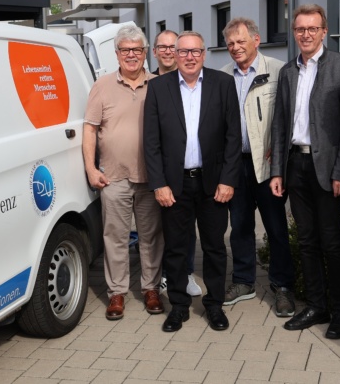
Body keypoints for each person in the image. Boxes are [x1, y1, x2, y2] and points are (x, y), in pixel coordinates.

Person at [269, 4, 340, 339]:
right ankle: (316, 305)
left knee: (332, 243)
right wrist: (278, 170)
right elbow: (280, 124)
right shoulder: (288, 72)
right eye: (300, 29)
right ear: (293, 32)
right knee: (306, 241)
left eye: (312, 28)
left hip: (328, 170)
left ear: (324, 31)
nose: (306, 35)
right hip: (296, 165)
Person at [144, 31, 241, 332]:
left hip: (213, 184)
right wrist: (158, 183)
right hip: (175, 185)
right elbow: (151, 142)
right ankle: (178, 307)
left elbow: (232, 137)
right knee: (175, 247)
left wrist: (228, 179)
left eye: (194, 51)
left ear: (203, 54)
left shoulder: (223, 84)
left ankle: (214, 306)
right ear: (173, 54)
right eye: (182, 51)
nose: (188, 57)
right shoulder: (158, 87)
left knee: (214, 247)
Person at [82, 24, 164, 321]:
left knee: (151, 237)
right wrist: (91, 169)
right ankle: (116, 292)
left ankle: (151, 289)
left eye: (137, 50)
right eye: (125, 50)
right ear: (117, 54)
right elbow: (90, 130)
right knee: (114, 236)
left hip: (151, 178)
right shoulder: (101, 86)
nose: (131, 55)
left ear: (145, 53)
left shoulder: (158, 85)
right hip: (113, 176)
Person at [219, 17, 295, 316]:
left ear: (256, 40)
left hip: (267, 167)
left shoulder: (278, 71)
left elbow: (287, 119)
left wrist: (279, 159)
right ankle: (243, 281)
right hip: (235, 165)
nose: (236, 48)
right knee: (239, 227)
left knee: (276, 228)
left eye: (241, 41)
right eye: (230, 44)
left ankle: (282, 286)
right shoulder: (223, 76)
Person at [152, 29, 202, 297]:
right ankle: (163, 277)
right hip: (160, 170)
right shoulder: (152, 83)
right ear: (156, 51)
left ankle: (185, 273)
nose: (170, 51)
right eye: (164, 47)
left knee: (186, 230)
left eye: (175, 47)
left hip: (189, 174)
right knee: (159, 231)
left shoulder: (195, 81)